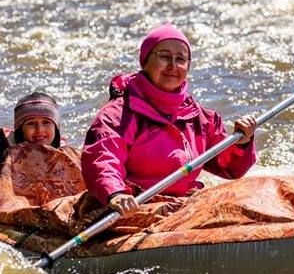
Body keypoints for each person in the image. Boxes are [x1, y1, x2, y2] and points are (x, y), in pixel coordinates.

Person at [82, 23, 258, 214]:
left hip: (184, 203)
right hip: (134, 204)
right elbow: (104, 158)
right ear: (145, 61)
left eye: (180, 59)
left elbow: (231, 169)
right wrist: (115, 193)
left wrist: (242, 142)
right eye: (164, 57)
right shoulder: (118, 115)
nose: (173, 66)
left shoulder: (199, 117)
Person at [0, 91, 64, 166]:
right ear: (20, 129)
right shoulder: (10, 156)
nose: (39, 130)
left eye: (46, 122)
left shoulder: (65, 155)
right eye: (31, 123)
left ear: (56, 127)